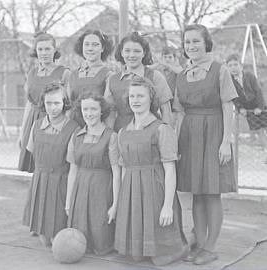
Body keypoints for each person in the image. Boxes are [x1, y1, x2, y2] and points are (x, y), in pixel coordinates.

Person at [173, 24, 238, 265]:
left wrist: (225, 142)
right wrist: (177, 145)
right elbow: (179, 113)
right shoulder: (181, 75)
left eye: (196, 41)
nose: (191, 46)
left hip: (214, 133)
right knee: (196, 193)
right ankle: (199, 244)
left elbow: (227, 107)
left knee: (212, 193)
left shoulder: (220, 70)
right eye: (187, 42)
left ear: (206, 43)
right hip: (190, 135)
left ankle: (211, 247)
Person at [115, 76, 185, 266]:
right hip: (132, 193)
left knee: (159, 258)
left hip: (155, 191)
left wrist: (167, 206)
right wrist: (122, 201)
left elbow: (170, 170)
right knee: (135, 257)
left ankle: (189, 242)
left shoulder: (162, 129)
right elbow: (123, 169)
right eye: (132, 96)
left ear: (151, 99)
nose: (135, 100)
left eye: (140, 96)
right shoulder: (123, 132)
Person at [22, 82, 78, 246]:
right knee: (44, 241)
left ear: (64, 103)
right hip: (40, 181)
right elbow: (33, 151)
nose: (52, 107)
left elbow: (72, 164)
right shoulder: (37, 125)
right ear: (43, 103)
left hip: (60, 182)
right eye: (48, 103)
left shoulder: (73, 128)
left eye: (57, 103)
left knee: (58, 240)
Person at [66, 92, 121, 255]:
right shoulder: (76, 136)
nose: (89, 114)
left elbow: (117, 173)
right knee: (78, 241)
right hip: (80, 190)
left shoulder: (111, 137)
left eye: (93, 109)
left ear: (102, 111)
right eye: (85, 109)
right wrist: (69, 201)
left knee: (101, 242)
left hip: (102, 190)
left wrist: (115, 205)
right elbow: (73, 171)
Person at [18, 32, 70, 173]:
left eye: (48, 49)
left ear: (55, 50)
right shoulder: (32, 73)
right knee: (36, 168)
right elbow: (29, 104)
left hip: (54, 123)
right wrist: (23, 132)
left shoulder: (64, 73)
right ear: (36, 51)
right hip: (33, 123)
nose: (44, 53)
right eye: (40, 49)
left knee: (53, 167)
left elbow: (68, 105)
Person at [104, 32, 173, 132]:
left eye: (137, 51)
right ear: (121, 52)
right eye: (127, 51)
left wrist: (167, 134)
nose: (132, 55)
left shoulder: (155, 76)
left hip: (150, 133)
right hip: (121, 133)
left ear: (144, 53)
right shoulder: (112, 80)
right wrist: (109, 138)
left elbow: (166, 110)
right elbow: (110, 113)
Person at [68, 29, 113, 127]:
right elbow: (68, 106)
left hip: (97, 128)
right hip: (74, 127)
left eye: (95, 45)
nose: (90, 48)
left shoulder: (108, 75)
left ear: (103, 48)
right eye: (86, 44)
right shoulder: (73, 75)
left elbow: (109, 110)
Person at [226, 53, 267, 160]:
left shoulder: (249, 76)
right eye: (230, 66)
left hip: (259, 106)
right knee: (259, 131)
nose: (233, 68)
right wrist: (240, 108)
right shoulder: (230, 81)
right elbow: (234, 98)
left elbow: (258, 92)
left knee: (265, 127)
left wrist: (260, 107)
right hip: (248, 109)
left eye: (235, 65)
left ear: (241, 66)